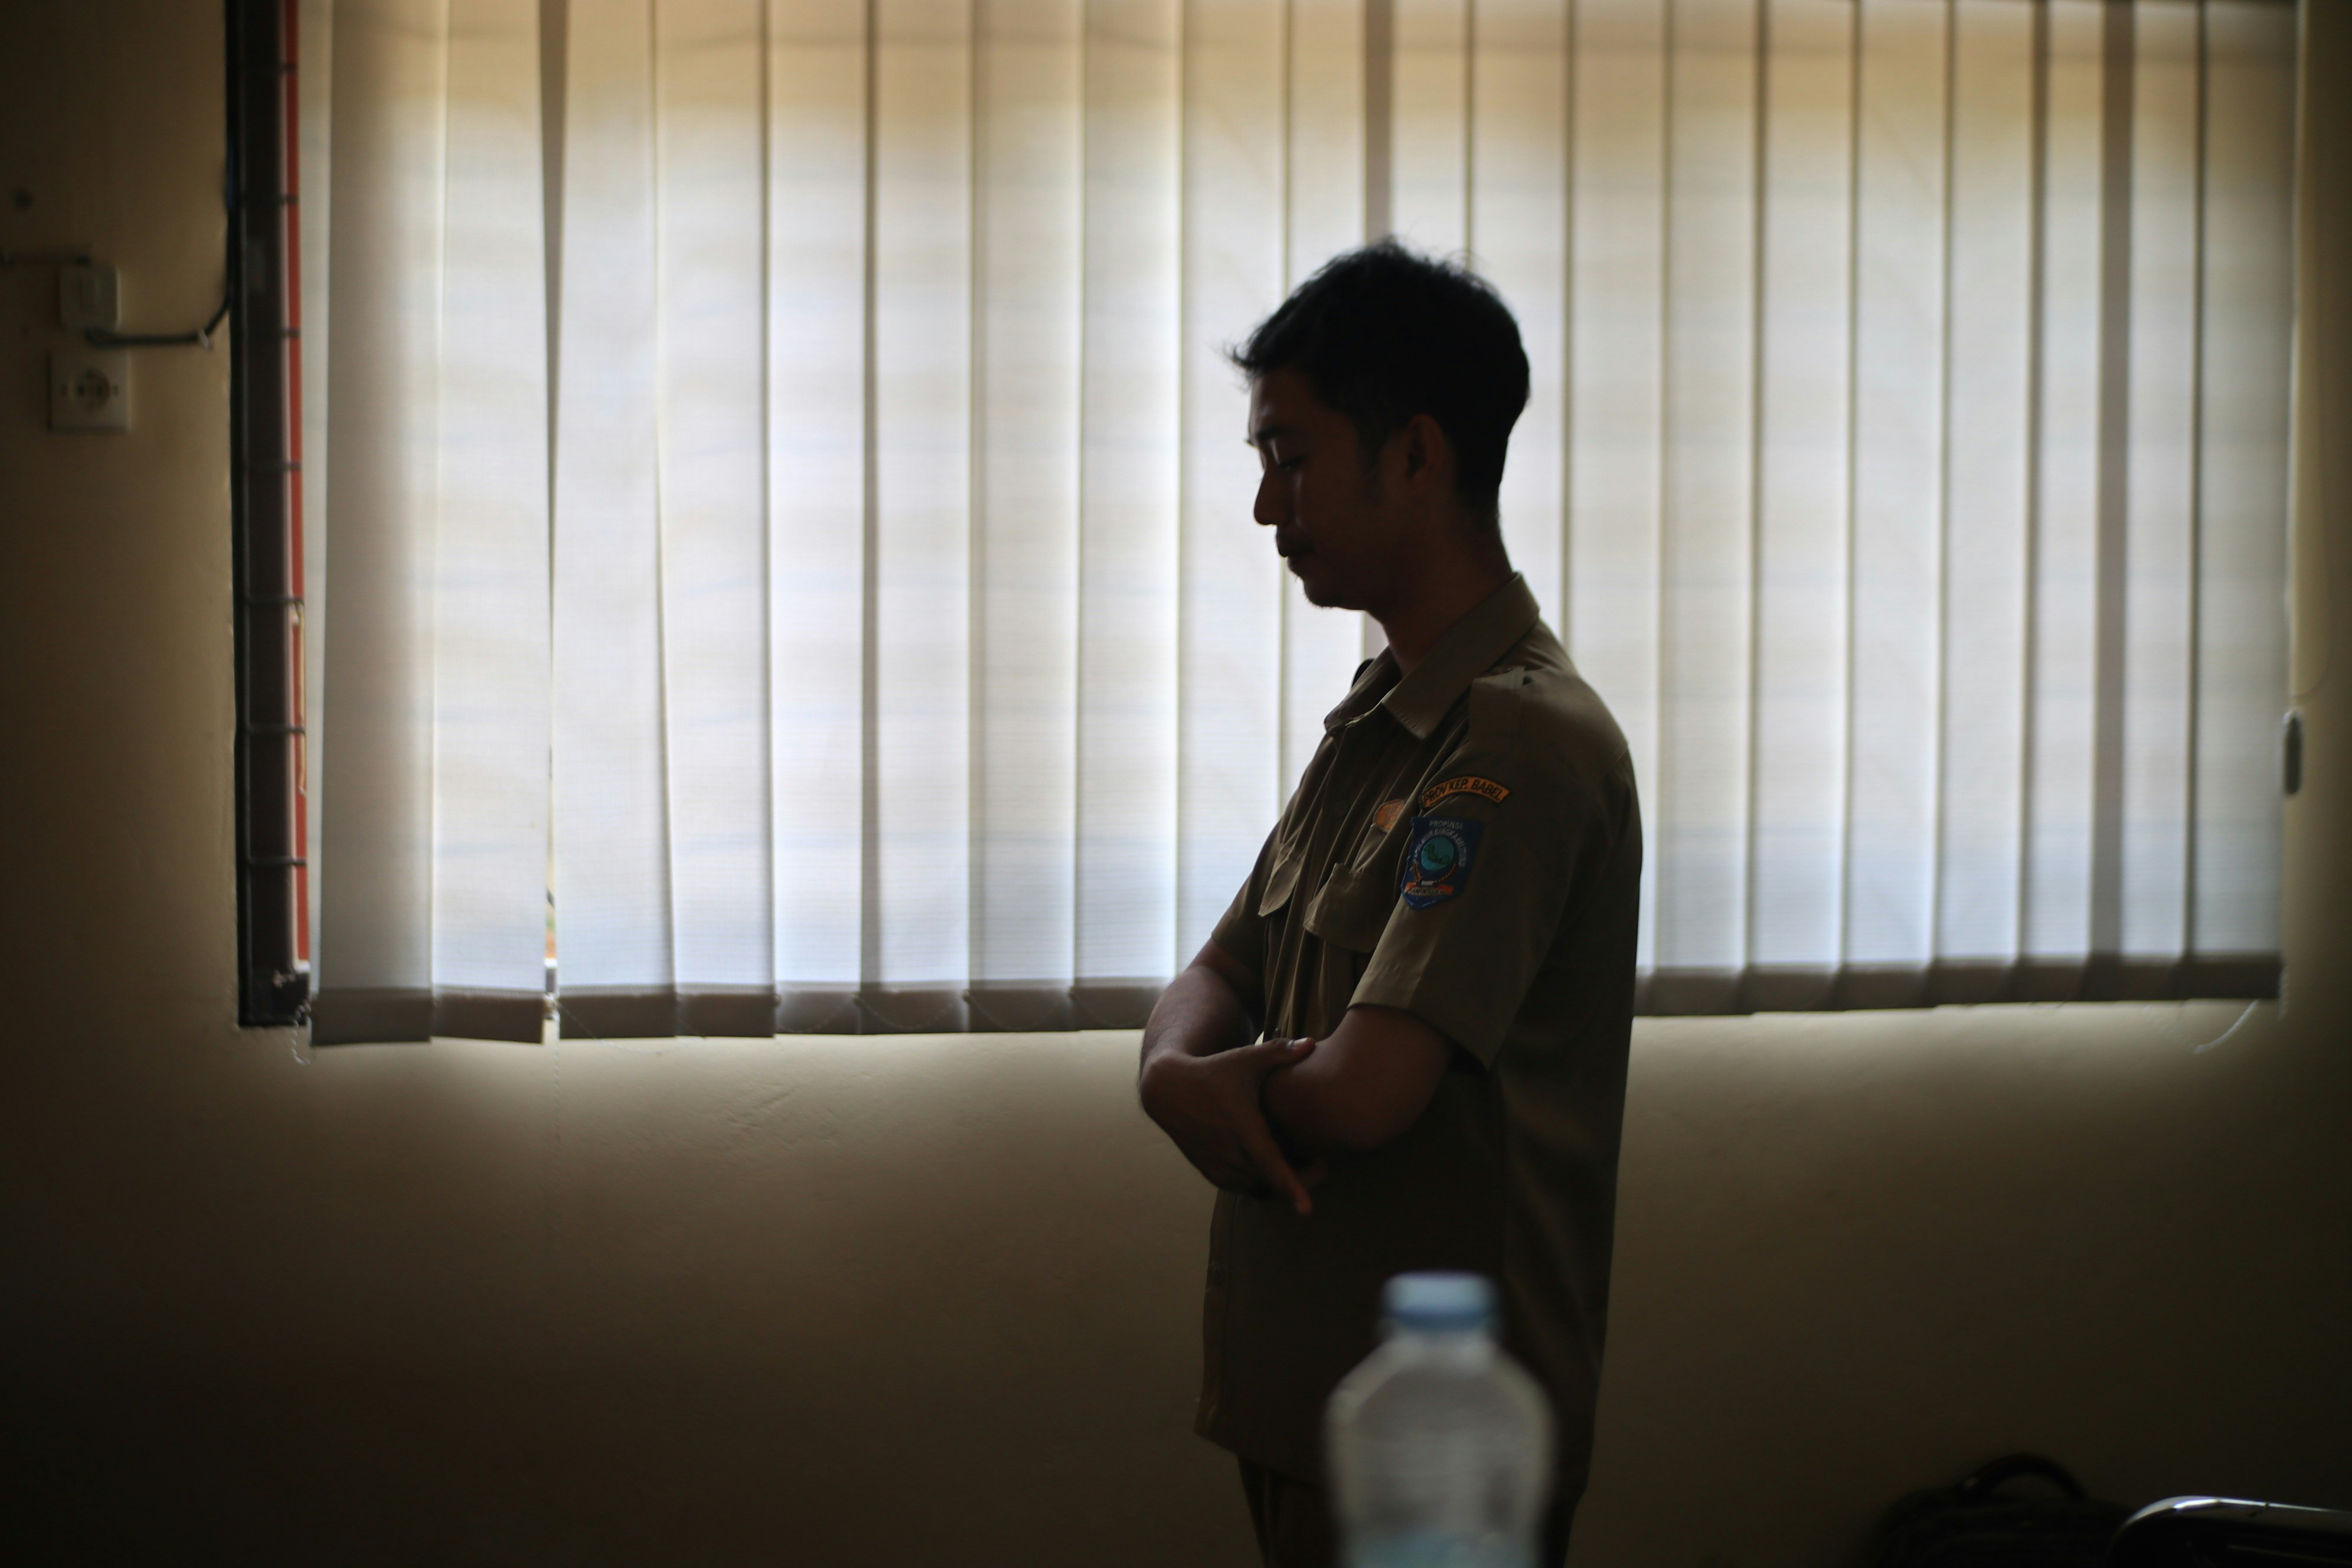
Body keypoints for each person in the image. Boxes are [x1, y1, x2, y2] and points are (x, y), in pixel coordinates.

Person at [1135, 242, 1643, 1568]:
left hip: (1441, 1450)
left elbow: (1366, 1090)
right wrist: (1170, 1069)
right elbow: (1219, 967)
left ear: (1415, 455)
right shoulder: (1382, 719)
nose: (1266, 506)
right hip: (1314, 1399)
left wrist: (1202, 1088)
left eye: (1291, 457)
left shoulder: (1517, 745)